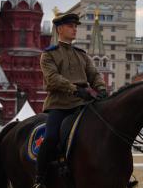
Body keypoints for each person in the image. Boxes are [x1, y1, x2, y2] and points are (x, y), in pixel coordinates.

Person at [33, 13, 107, 188]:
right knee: (50, 138)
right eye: (70, 26)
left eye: (76, 26)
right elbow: (53, 79)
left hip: (82, 104)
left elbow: (94, 74)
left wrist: (102, 89)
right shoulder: (49, 55)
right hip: (60, 104)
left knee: (105, 132)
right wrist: (76, 90)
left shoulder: (81, 54)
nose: (75, 29)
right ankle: (39, 178)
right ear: (60, 29)